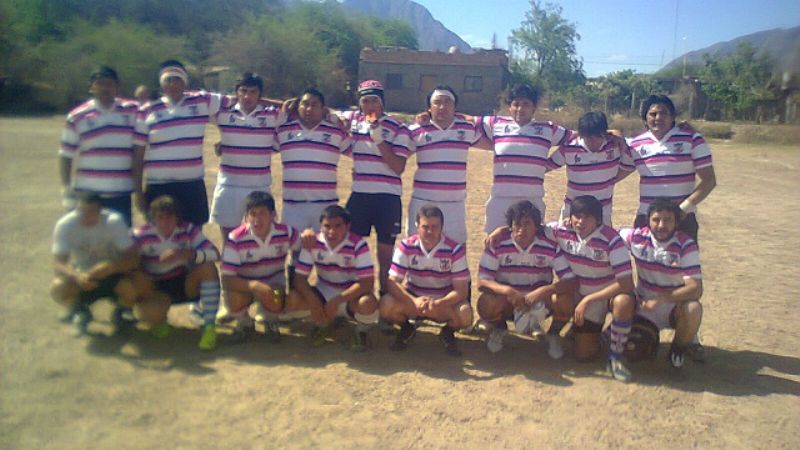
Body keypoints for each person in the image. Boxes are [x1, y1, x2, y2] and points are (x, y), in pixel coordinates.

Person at [548, 196, 636, 382]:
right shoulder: (561, 230)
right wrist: (499, 232)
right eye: (577, 216)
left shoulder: (612, 240)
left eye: (587, 217)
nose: (581, 222)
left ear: (598, 219)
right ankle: (588, 333)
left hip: (604, 296)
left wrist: (589, 299)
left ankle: (615, 356)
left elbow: (626, 283)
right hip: (579, 295)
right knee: (583, 355)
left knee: (624, 301)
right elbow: (532, 228)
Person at [133, 59, 229, 226]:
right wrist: (138, 193)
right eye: (168, 80)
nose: (173, 84)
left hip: (192, 185)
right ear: (162, 84)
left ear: (185, 82)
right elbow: (138, 155)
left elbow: (240, 102)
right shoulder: (147, 110)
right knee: (161, 239)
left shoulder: (202, 101)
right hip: (159, 187)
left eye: (177, 79)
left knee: (194, 238)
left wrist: (224, 136)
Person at [338, 80, 411, 296]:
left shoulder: (398, 128)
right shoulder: (352, 121)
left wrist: (378, 138)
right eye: (365, 101)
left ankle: (385, 297)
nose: (370, 105)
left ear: (382, 102)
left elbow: (398, 167)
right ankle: (355, 298)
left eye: (374, 100)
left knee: (385, 254)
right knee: (351, 249)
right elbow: (327, 113)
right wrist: (336, 119)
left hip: (387, 198)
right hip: (360, 194)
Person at [477, 201, 577, 353]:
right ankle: (499, 328)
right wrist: (508, 292)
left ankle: (553, 334)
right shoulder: (497, 244)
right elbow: (482, 282)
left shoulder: (549, 246)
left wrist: (543, 291)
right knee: (486, 302)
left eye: (527, 224)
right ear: (510, 226)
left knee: (565, 300)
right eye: (517, 224)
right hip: (509, 302)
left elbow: (570, 281)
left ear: (536, 227)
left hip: (539, 303)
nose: (521, 229)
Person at [477, 84, 574, 232]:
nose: (520, 109)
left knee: (531, 246)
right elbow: (466, 122)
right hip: (501, 198)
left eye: (526, 104)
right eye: (515, 104)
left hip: (532, 200)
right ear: (509, 107)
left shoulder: (548, 129)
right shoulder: (495, 123)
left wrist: (549, 164)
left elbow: (576, 139)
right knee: (496, 246)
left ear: (534, 108)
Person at [619, 198, 704, 368]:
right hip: (644, 307)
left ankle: (678, 348)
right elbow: (606, 235)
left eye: (667, 220)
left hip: (674, 306)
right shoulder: (636, 236)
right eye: (656, 219)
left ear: (676, 221)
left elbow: (696, 289)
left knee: (693, 308)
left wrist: (661, 299)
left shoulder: (686, 245)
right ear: (648, 220)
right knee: (634, 352)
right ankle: (646, 335)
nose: (661, 225)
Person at [130, 195, 221, 350]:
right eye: (160, 218)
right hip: (157, 287)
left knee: (207, 267)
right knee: (148, 314)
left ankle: (209, 327)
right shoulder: (140, 235)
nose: (165, 223)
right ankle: (159, 320)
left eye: (170, 218)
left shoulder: (188, 229)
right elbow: (128, 263)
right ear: (152, 218)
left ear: (177, 218)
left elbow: (215, 254)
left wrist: (187, 254)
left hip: (184, 282)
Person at [380, 205, 472, 356]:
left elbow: (461, 291)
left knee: (465, 314)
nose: (430, 231)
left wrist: (437, 303)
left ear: (442, 227)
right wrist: (413, 301)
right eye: (425, 227)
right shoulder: (406, 246)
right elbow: (392, 282)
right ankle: (407, 328)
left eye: (434, 227)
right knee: (385, 305)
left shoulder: (454, 250)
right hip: (414, 301)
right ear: (417, 226)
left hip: (441, 302)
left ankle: (447, 332)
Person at [622, 94, 716, 241]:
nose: (658, 118)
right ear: (645, 118)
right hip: (646, 217)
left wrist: (683, 209)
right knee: (644, 263)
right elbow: (616, 173)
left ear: (673, 116)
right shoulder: (635, 144)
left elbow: (709, 181)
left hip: (681, 219)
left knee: (682, 263)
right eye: (653, 114)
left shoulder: (692, 139)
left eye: (663, 113)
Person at [59, 66, 139, 226]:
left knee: (121, 245)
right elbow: (66, 155)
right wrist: (66, 188)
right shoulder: (77, 116)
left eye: (109, 84)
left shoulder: (133, 111)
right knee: (89, 244)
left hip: (120, 193)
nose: (105, 88)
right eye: (100, 84)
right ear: (91, 87)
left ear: (117, 87)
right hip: (89, 195)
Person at [50, 192, 139, 336]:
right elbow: (58, 262)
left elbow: (133, 258)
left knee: (134, 286)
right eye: (81, 211)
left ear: (101, 210)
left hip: (112, 274)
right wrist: (77, 275)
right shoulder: (65, 225)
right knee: (58, 287)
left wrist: (111, 267)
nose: (86, 216)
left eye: (91, 212)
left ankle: (121, 312)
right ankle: (80, 312)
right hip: (83, 275)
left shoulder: (113, 221)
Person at [292, 205, 379, 351]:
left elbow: (366, 283)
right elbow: (299, 278)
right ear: (320, 226)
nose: (332, 232)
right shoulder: (313, 242)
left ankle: (361, 331)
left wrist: (337, 300)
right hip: (324, 290)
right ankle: (323, 324)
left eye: (338, 226)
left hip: (350, 294)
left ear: (347, 226)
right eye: (327, 226)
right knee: (293, 299)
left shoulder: (358, 244)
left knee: (368, 303)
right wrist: (313, 301)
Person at [221, 191, 304, 342]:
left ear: (273, 215)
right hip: (245, 286)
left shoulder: (287, 233)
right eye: (253, 214)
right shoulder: (235, 238)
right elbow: (227, 279)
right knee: (234, 297)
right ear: (246, 216)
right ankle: (244, 323)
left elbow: (303, 248)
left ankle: (270, 320)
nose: (257, 219)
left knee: (278, 298)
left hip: (273, 285)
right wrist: (254, 285)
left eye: (263, 213)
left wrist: (295, 279)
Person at [211, 72, 284, 238]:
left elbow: (292, 107)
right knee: (229, 237)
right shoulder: (222, 113)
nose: (247, 96)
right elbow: (198, 100)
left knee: (262, 234)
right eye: (243, 91)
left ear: (260, 94)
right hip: (229, 184)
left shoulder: (272, 115)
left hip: (259, 186)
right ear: (236, 92)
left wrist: (264, 101)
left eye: (253, 92)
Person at [406, 86, 481, 244]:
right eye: (437, 103)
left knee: (456, 253)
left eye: (448, 102)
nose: (442, 107)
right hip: (423, 203)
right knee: (416, 252)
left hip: (455, 205)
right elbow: (397, 154)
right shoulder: (415, 131)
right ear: (428, 108)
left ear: (455, 107)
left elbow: (495, 142)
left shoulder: (467, 129)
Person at [274, 88, 352, 233]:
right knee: (295, 249)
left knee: (323, 250)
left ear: (323, 109)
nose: (309, 108)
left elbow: (359, 153)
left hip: (325, 206)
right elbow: (260, 147)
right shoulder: (283, 131)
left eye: (314, 105)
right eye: (304, 104)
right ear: (298, 107)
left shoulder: (336, 133)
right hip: (293, 205)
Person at [547, 111, 634, 226]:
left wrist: (611, 179)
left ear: (604, 133)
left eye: (597, 137)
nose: (593, 141)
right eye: (589, 137)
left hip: (602, 213)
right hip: (573, 212)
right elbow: (546, 166)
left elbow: (631, 165)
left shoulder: (616, 145)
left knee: (601, 243)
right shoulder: (570, 147)